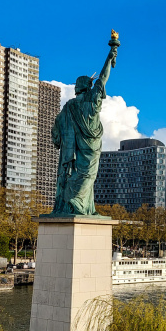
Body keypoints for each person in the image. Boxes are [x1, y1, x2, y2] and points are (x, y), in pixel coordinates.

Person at [51, 43, 117, 215]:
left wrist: (62, 142)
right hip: (91, 146)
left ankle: (85, 206)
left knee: (75, 174)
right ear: (88, 87)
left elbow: (56, 131)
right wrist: (109, 58)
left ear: (76, 88)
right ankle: (78, 203)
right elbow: (103, 78)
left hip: (73, 149)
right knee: (88, 175)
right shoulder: (92, 100)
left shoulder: (68, 106)